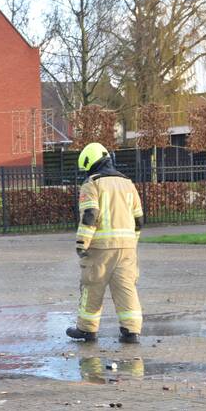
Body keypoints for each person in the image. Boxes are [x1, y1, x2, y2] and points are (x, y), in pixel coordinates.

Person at [66, 142, 144, 344]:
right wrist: (131, 243)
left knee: (92, 287)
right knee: (126, 288)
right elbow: (139, 219)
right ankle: (131, 331)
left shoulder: (92, 184)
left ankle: (86, 330)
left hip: (101, 249)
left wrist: (82, 243)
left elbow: (90, 215)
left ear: (90, 163)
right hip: (127, 248)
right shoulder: (128, 183)